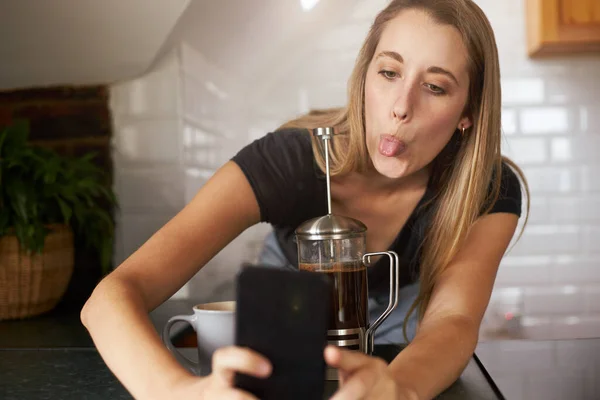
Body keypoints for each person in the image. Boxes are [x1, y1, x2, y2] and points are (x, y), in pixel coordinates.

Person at [81, 0, 530, 399]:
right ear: (363, 78)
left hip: (403, 354)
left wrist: (400, 389)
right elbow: (110, 298)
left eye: (435, 86)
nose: (400, 107)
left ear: (468, 112)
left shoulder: (488, 188)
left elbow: (451, 320)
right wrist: (179, 393)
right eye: (389, 73)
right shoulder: (289, 161)